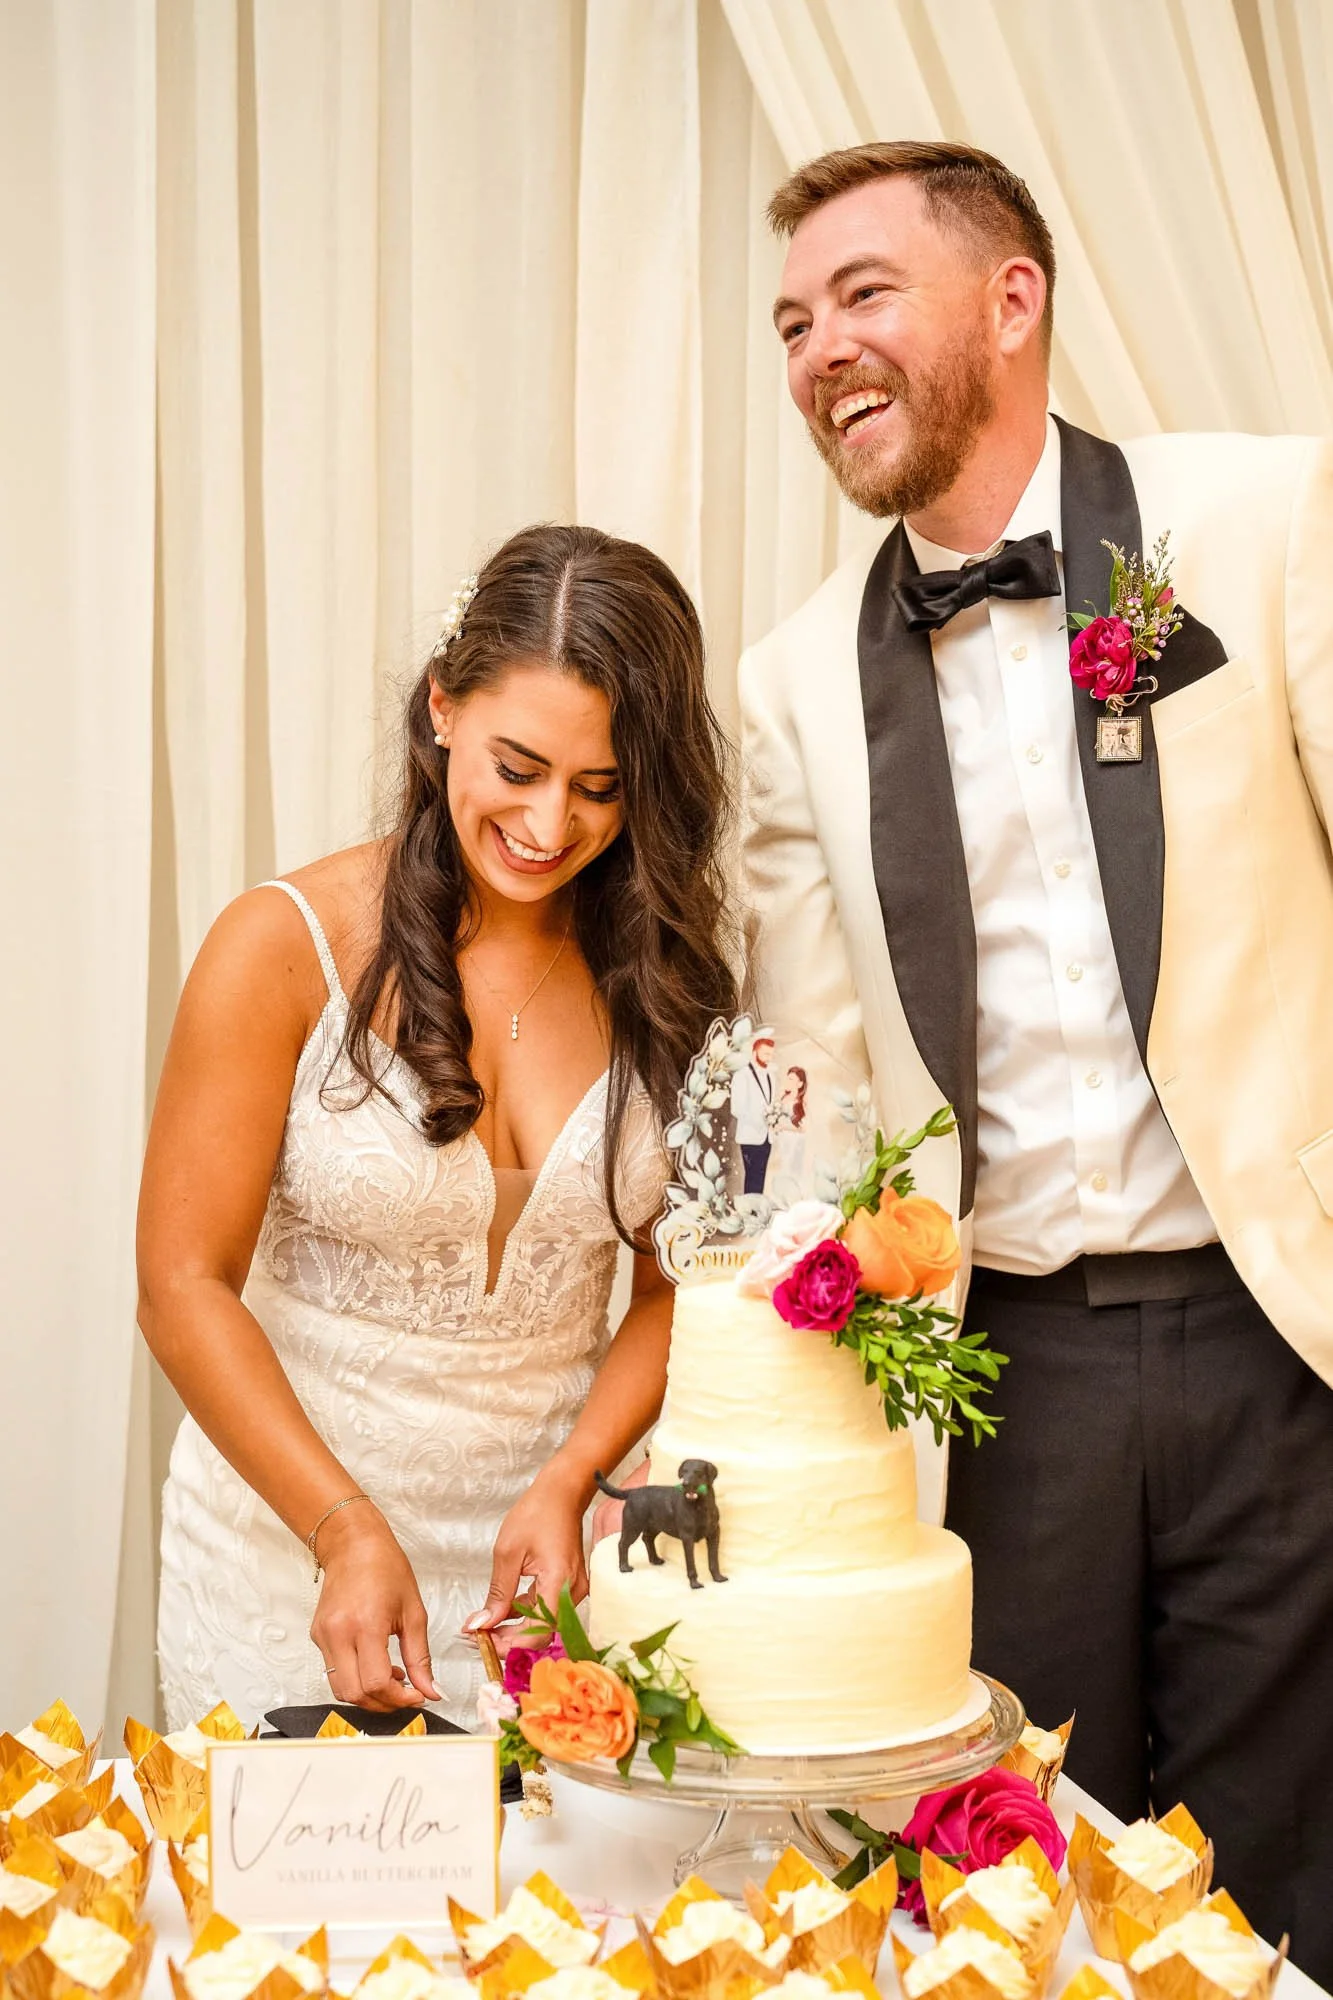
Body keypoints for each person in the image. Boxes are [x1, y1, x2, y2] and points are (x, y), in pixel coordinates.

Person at [740, 139, 1333, 1977]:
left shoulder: (1238, 525)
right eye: (787, 320)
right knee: (1008, 1891)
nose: (816, 346)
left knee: (1278, 1875)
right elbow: (815, 1090)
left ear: (1011, 304)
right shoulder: (786, 689)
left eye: (859, 295)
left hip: (1276, 1331)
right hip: (1002, 1385)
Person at [139, 523, 737, 1729]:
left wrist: (576, 1477)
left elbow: (680, 1288)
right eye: (517, 765)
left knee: (545, 1924)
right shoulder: (283, 944)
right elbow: (180, 1281)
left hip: (545, 1587)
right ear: (442, 706)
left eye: (599, 787)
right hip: (292, 1560)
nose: (548, 822)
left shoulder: (664, 979)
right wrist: (341, 1524)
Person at [730, 1032, 776, 1192]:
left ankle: (757, 1211)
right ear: (755, 1051)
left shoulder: (771, 1076)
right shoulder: (742, 1076)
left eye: (771, 1054)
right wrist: (761, 1118)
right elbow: (737, 1109)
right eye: (765, 1054)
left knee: (761, 1176)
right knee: (752, 1176)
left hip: (767, 1137)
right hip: (750, 1135)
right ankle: (750, 1212)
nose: (769, 1058)